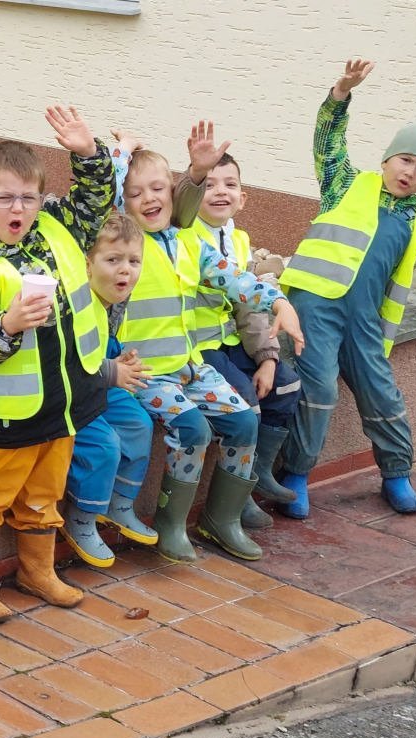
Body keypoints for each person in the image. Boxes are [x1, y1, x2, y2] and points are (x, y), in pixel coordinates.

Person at [0, 106, 113, 619]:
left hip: (62, 405)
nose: (19, 207)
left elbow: (94, 205)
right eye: (5, 198)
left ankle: (37, 570)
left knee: (44, 493)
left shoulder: (56, 232)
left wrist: (87, 154)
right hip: (8, 415)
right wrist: (7, 326)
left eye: (29, 197)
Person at [117, 133, 304, 562]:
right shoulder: (122, 242)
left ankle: (222, 519)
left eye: (158, 189)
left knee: (243, 421)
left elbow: (237, 280)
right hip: (143, 370)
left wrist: (279, 302)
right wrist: (118, 154)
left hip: (189, 365)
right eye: (135, 193)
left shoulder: (187, 242)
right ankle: (169, 524)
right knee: (194, 430)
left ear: (174, 192)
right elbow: (101, 199)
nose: (149, 199)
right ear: (122, 200)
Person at [279, 58, 416, 516]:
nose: (410, 171)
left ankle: (396, 474)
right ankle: (295, 476)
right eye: (405, 159)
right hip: (315, 305)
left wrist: (380, 331)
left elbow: (396, 282)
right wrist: (341, 92)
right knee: (319, 392)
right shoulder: (346, 185)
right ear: (387, 159)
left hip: (365, 319)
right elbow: (327, 143)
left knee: (381, 392)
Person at [174, 150, 304, 528]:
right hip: (199, 344)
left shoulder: (240, 239)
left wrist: (267, 357)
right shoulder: (185, 236)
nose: (220, 192)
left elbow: (248, 308)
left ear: (243, 198)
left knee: (286, 385)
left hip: (232, 340)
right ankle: (233, 501)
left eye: (230, 184)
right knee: (245, 401)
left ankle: (256, 476)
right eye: (209, 184)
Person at [61, 213, 156, 567]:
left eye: (133, 261)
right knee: (105, 444)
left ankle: (119, 503)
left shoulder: (107, 302)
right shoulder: (77, 303)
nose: (125, 271)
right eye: (113, 260)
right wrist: (111, 369)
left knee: (138, 423)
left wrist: (119, 355)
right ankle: (82, 518)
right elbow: (70, 360)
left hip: (101, 380)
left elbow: (101, 342)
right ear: (89, 264)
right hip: (75, 393)